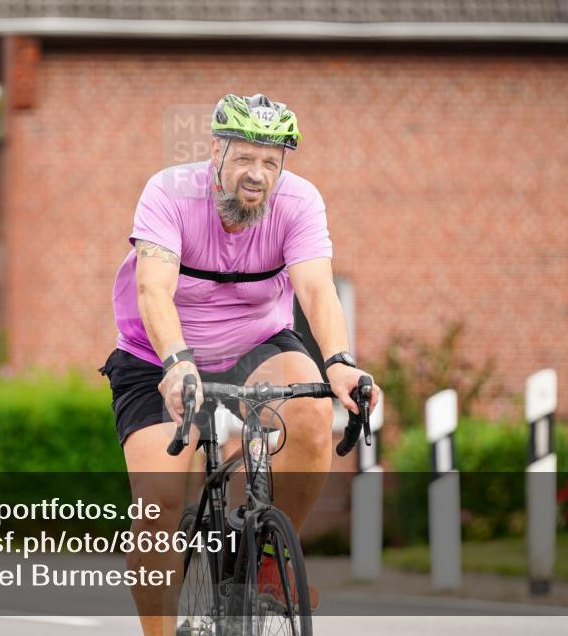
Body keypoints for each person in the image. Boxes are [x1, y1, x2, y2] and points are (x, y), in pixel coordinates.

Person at [99, 93, 381, 635]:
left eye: (271, 163)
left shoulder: (299, 203)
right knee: (157, 508)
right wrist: (177, 363)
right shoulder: (169, 192)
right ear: (217, 153)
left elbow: (318, 290)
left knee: (312, 410)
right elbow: (154, 289)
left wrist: (342, 363)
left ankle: (270, 560)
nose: (257, 174)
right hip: (158, 354)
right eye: (245, 158)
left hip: (257, 345)